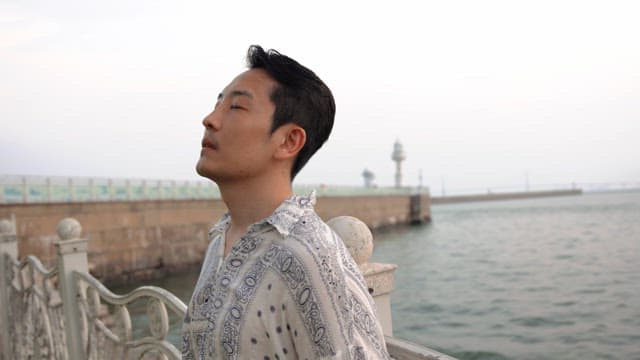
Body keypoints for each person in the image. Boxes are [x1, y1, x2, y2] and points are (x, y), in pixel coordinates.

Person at [181, 45, 390, 360]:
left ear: (289, 141)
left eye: (235, 107)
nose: (210, 119)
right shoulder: (222, 238)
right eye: (218, 103)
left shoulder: (312, 257)